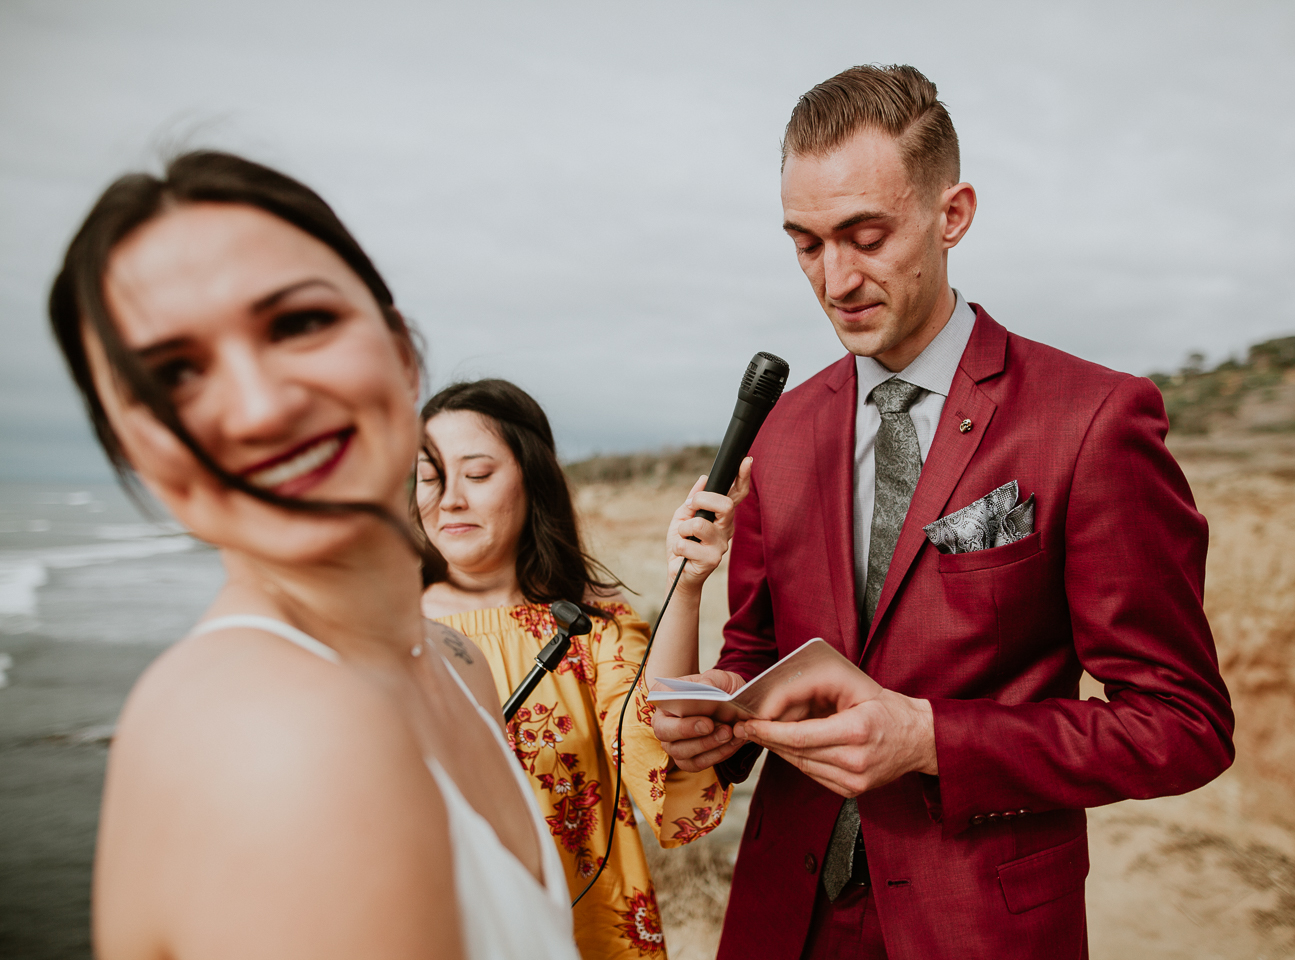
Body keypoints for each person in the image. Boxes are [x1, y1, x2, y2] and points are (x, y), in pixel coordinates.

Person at [653, 65, 1235, 958]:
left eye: (865, 234)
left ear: (952, 214)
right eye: (806, 244)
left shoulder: (1092, 418)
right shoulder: (786, 425)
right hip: (782, 917)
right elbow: (755, 654)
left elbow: (1181, 725)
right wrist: (719, 716)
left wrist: (932, 739)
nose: (835, 278)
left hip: (980, 925)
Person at [51, 151, 580, 960]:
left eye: (298, 324)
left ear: (402, 353)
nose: (261, 409)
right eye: (174, 376)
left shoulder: (454, 660)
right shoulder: (273, 734)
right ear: (130, 450)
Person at [414, 379, 746, 960]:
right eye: (430, 475)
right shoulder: (370, 631)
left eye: (478, 473)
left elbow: (659, 745)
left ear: (532, 479)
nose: (451, 499)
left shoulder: (593, 629)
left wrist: (683, 587)